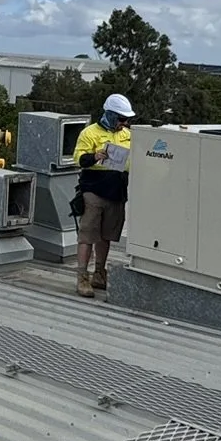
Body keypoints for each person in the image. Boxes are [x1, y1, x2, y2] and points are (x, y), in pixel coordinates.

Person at [71, 92, 134, 298]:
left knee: (106, 236)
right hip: (94, 190)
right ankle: (82, 277)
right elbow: (78, 158)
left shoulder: (128, 135)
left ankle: (99, 273)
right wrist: (95, 156)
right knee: (88, 235)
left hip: (116, 192)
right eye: (121, 119)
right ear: (110, 115)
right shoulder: (90, 133)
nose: (124, 123)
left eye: (127, 119)